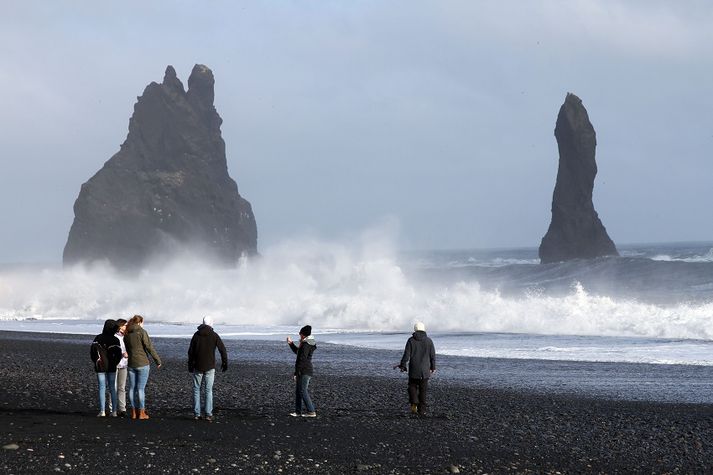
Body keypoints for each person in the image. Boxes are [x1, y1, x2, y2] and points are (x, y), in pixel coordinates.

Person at [187, 316, 228, 421]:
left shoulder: (196, 335)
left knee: (196, 389)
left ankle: (197, 414)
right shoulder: (214, 335)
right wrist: (225, 363)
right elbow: (222, 349)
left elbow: (190, 352)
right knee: (208, 390)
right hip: (210, 366)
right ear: (210, 323)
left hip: (198, 366)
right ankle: (208, 414)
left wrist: (190, 365)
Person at [123, 314, 162, 420]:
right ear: (139, 322)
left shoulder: (126, 333)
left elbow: (128, 349)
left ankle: (134, 412)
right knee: (140, 389)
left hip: (131, 363)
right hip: (142, 363)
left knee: (132, 388)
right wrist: (157, 360)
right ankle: (142, 413)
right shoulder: (142, 332)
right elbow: (149, 347)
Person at [395, 321, 436, 415]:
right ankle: (422, 410)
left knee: (412, 386)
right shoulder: (429, 341)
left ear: (415, 329)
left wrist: (403, 365)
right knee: (423, 390)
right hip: (425, 370)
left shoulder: (411, 340)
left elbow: (406, 354)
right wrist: (433, 367)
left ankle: (414, 401)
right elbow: (432, 356)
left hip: (414, 369)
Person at [90, 319, 123, 417]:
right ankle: (114, 412)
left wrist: (96, 361)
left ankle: (102, 411)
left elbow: (92, 352)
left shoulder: (98, 338)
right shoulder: (115, 340)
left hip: (100, 366)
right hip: (112, 366)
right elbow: (118, 354)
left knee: (102, 388)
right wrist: (115, 363)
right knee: (112, 388)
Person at [286, 325, 317, 417]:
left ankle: (311, 411)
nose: (299, 335)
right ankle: (298, 411)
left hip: (304, 370)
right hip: (304, 369)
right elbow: (298, 353)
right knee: (299, 391)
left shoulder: (306, 344)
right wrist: (291, 344)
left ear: (303, 335)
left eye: (300, 334)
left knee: (303, 391)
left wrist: (296, 373)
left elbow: (301, 360)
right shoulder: (306, 343)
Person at [114, 318, 129, 417]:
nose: (126, 327)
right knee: (113, 387)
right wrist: (122, 353)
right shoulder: (114, 336)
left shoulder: (126, 337)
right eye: (124, 325)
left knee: (122, 387)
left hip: (124, 364)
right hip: (115, 364)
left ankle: (122, 409)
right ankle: (113, 409)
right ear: (119, 326)